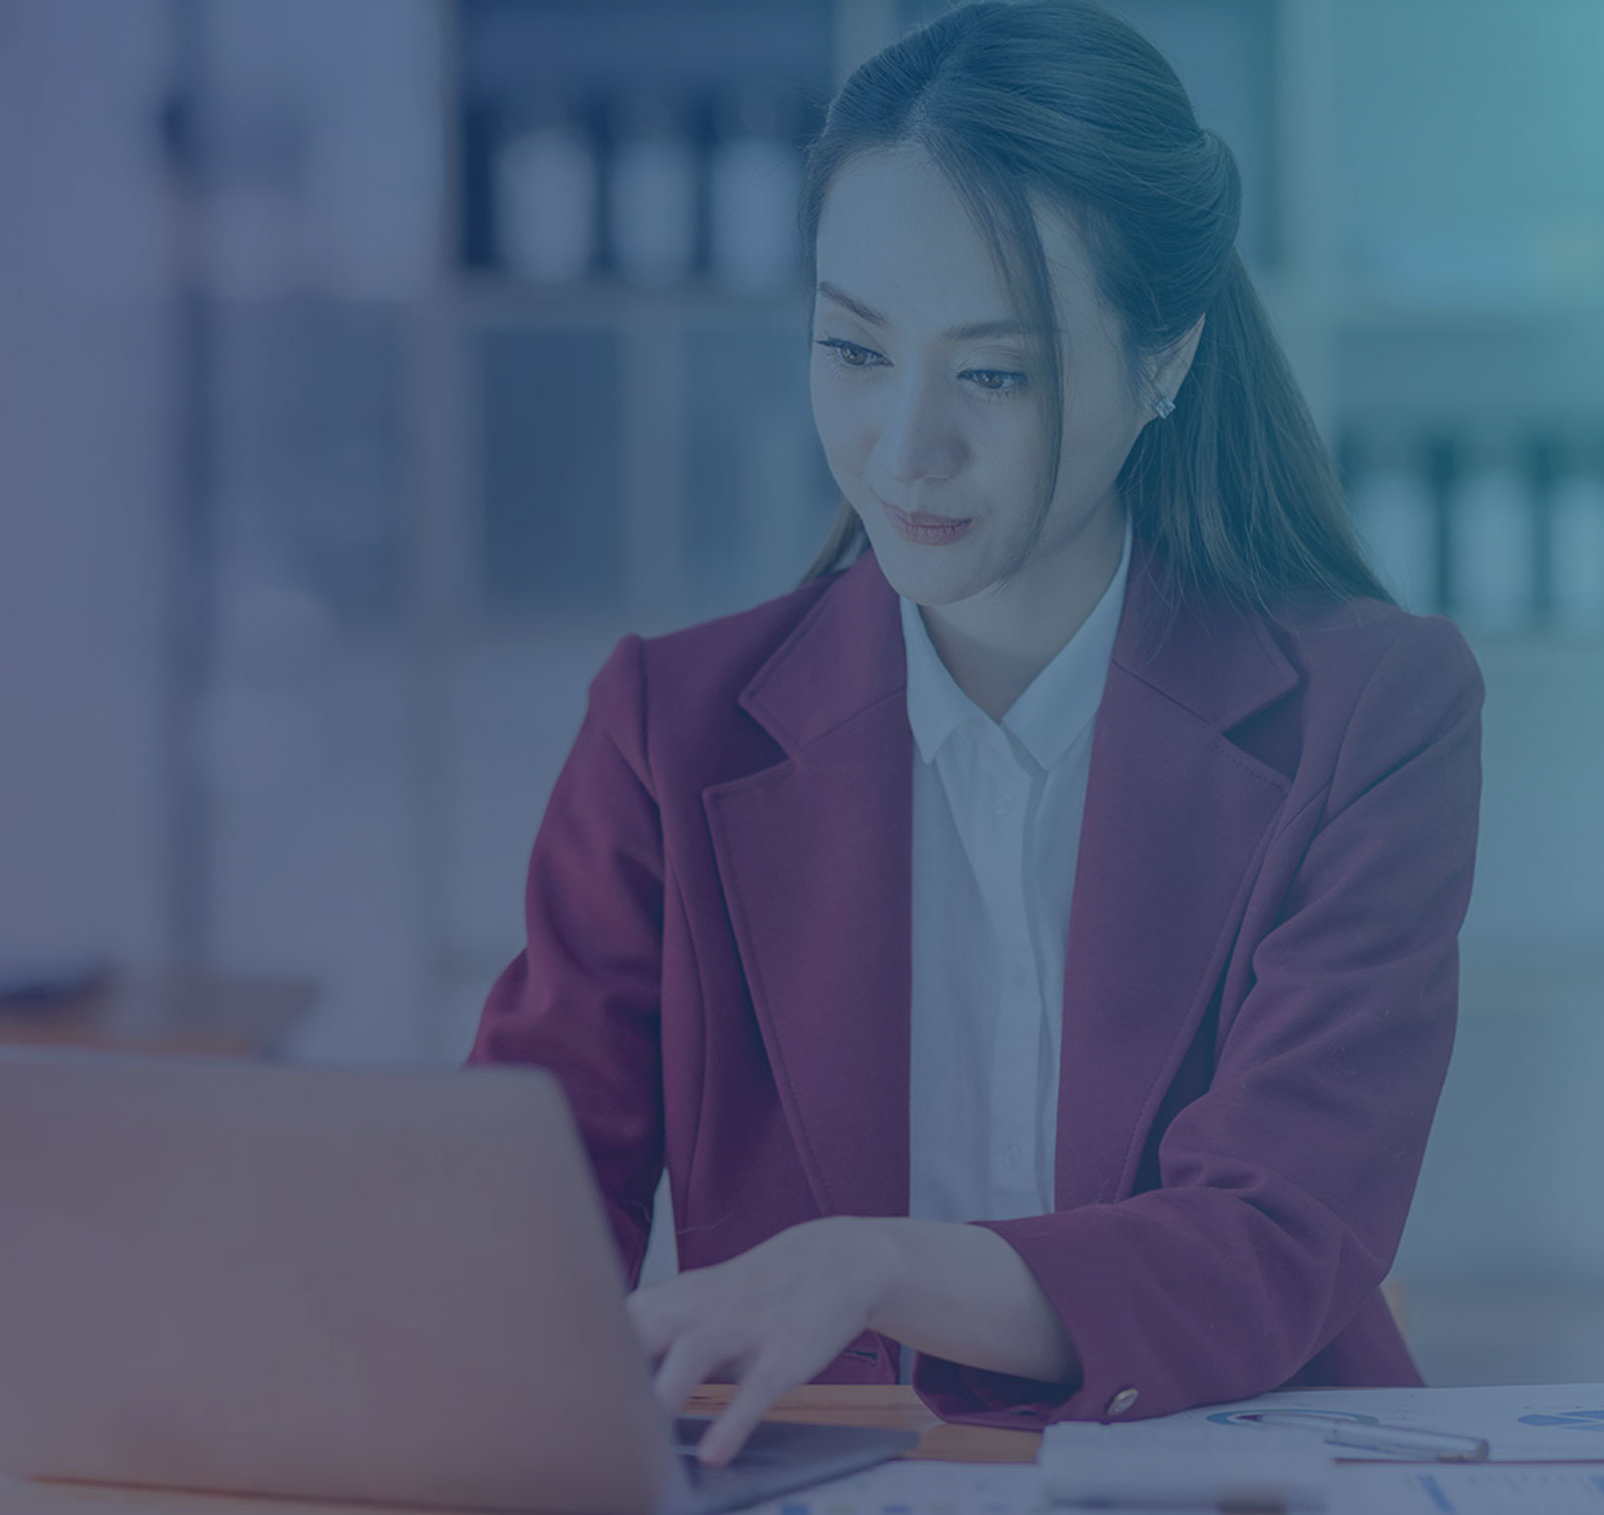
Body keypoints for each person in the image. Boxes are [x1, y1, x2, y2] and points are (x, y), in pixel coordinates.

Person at [466, 0, 1484, 1469]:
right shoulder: (664, 730)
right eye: (854, 351)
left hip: (1234, 1469)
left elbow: (1273, 1229)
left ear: (1161, 362)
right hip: (816, 1477)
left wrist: (875, 1266)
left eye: (992, 374)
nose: (903, 447)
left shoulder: (1369, 712)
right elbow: (526, 1202)